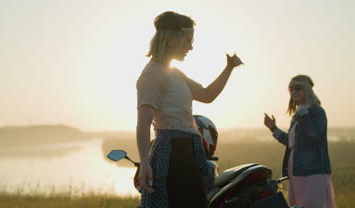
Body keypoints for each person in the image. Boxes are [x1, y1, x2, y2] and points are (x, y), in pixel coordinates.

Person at [136, 11, 243, 208]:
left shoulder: (174, 73)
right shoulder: (152, 74)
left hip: (188, 149)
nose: (191, 47)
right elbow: (143, 123)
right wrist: (144, 162)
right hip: (171, 152)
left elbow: (206, 95)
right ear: (170, 38)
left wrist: (228, 68)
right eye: (188, 40)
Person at [263, 75, 336, 208]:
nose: (294, 91)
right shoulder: (298, 115)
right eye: (291, 88)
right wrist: (273, 128)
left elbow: (312, 137)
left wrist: (303, 115)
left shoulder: (317, 112)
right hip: (295, 171)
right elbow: (290, 142)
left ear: (307, 90)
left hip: (312, 171)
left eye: (298, 88)